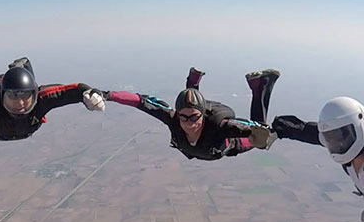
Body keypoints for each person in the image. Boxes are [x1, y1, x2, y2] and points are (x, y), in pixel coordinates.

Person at [100, 67, 288, 160]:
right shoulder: (174, 118)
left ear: (203, 117)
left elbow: (253, 128)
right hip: (202, 143)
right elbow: (140, 102)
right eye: (184, 117)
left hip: (231, 142)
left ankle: (261, 85)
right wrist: (107, 95)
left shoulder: (221, 127)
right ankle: (193, 82)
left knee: (259, 137)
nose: (189, 122)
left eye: (194, 118)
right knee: (189, 105)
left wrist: (272, 134)